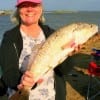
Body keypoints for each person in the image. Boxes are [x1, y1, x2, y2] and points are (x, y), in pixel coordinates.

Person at [0, 0, 79, 99]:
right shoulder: (10, 37)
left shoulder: (52, 34)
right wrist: (21, 80)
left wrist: (69, 54)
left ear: (41, 9)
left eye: (34, 5)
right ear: (18, 10)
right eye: (24, 5)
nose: (29, 9)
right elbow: (8, 73)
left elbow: (64, 70)